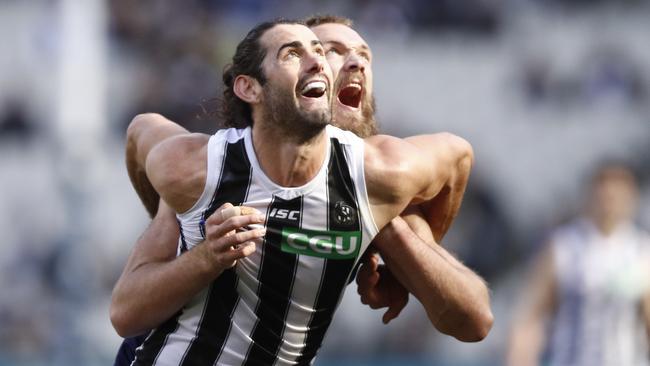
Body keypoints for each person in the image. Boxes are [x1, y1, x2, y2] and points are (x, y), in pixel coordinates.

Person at [112, 18, 492, 366]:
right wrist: (189, 240)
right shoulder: (206, 175)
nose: (352, 64)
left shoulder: (383, 183)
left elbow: (473, 320)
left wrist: (397, 253)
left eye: (364, 56)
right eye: (333, 52)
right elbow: (126, 313)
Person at [507, 163, 650, 366]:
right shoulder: (564, 246)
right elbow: (531, 315)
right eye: (604, 194)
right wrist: (520, 357)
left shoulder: (641, 250)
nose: (609, 201)